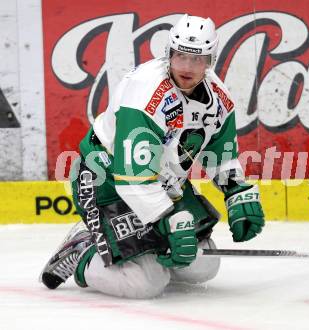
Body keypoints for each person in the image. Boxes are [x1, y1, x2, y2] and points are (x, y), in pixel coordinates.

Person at [40, 14, 265, 299]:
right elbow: (132, 178)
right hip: (106, 180)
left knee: (203, 266)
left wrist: (237, 191)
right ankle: (84, 251)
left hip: (161, 181)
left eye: (198, 59)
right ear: (169, 53)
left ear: (210, 61)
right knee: (144, 284)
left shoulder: (219, 99)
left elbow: (220, 153)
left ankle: (146, 249)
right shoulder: (145, 94)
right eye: (181, 56)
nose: (187, 67)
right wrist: (167, 221)